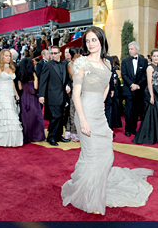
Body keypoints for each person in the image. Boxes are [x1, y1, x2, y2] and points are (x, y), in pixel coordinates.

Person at [61, 26, 153, 215]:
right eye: (87, 41)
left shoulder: (108, 63)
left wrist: (101, 103)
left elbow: (106, 85)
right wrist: (83, 120)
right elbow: (76, 96)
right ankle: (89, 195)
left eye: (94, 40)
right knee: (93, 155)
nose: (91, 44)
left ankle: (95, 188)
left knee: (107, 154)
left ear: (101, 40)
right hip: (84, 112)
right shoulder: (81, 63)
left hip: (98, 113)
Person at [133, 48, 158, 144]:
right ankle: (149, 135)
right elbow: (149, 82)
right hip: (152, 91)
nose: (156, 57)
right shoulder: (150, 67)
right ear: (151, 57)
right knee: (151, 113)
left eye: (157, 56)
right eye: (154, 56)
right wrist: (152, 96)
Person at [38, 46, 71, 146]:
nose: (53, 55)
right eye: (52, 53)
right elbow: (43, 81)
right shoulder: (48, 65)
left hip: (62, 96)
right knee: (55, 117)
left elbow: (67, 78)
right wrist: (41, 95)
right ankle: (51, 137)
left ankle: (58, 136)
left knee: (61, 117)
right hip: (52, 95)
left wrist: (68, 85)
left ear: (61, 54)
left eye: (55, 53)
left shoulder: (65, 64)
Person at [121, 41, 148, 136]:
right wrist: (131, 85)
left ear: (137, 49)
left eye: (132, 49)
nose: (130, 51)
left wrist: (137, 85)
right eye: (129, 49)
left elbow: (145, 75)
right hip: (128, 90)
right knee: (128, 110)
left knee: (136, 111)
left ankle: (133, 129)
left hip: (139, 90)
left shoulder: (144, 61)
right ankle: (127, 129)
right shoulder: (125, 61)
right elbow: (124, 75)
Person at [18, 57, 46, 144]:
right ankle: (37, 136)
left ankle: (26, 136)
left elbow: (20, 88)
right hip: (33, 98)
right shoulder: (34, 74)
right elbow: (36, 87)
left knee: (25, 118)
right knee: (36, 117)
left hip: (24, 97)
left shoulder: (20, 74)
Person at [65, 46, 81, 142]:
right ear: (74, 54)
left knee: (80, 111)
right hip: (75, 89)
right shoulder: (70, 64)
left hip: (82, 89)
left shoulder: (81, 62)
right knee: (73, 111)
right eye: (78, 53)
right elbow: (74, 77)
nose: (79, 55)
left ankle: (78, 131)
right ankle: (73, 132)